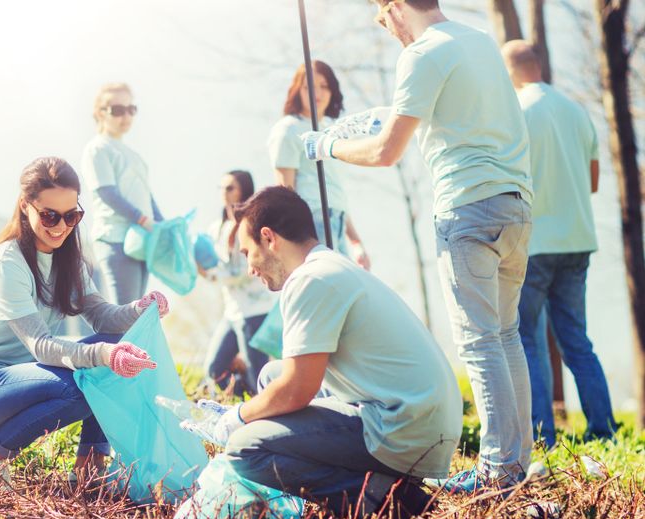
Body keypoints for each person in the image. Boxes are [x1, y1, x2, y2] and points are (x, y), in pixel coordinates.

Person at [301, 0, 533, 493]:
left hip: (467, 208)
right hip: (514, 205)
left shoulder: (422, 53)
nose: (387, 29)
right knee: (506, 335)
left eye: (383, 19)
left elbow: (386, 151)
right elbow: (460, 114)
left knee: (480, 341)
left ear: (396, 7)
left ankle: (497, 472)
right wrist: (386, 116)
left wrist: (326, 146)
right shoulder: (480, 42)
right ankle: (514, 464)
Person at [184, 187, 461, 519]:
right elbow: (290, 380)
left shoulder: (310, 280)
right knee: (271, 375)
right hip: (420, 418)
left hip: (404, 429)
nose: (250, 269)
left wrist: (238, 416)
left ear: (269, 238)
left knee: (245, 448)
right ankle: (373, 481)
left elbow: (297, 390)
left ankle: (387, 499)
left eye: (247, 253)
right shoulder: (330, 266)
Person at [0, 156, 168, 485]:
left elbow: (103, 318)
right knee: (88, 383)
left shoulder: (68, 262)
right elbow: (41, 346)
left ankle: (90, 468)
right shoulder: (5, 264)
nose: (61, 226)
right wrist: (103, 356)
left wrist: (138, 309)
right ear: (25, 205)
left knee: (115, 350)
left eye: (71, 216)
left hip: (20, 383)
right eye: (49, 215)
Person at [502, 40, 617, 448]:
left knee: (526, 339)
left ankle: (542, 437)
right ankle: (604, 432)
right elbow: (593, 182)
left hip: (535, 243)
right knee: (577, 341)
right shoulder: (576, 111)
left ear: (509, 71)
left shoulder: (516, 112)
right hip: (578, 240)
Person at [267, 61, 370, 267]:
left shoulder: (332, 131)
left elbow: (334, 192)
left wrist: (355, 240)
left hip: (337, 220)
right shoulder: (288, 129)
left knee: (346, 282)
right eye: (309, 87)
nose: (318, 93)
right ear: (298, 90)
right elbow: (285, 192)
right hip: (312, 221)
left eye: (324, 86)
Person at [81, 83, 165, 305]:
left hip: (142, 239)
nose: (126, 116)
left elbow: (147, 196)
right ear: (101, 112)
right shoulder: (97, 148)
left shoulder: (134, 155)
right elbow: (107, 193)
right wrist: (143, 219)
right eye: (118, 110)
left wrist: (162, 225)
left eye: (131, 109)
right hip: (115, 239)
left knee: (137, 312)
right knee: (125, 312)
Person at [199, 170, 275, 396]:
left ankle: (266, 406)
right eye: (221, 188)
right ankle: (245, 397)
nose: (224, 193)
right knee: (213, 370)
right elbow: (212, 260)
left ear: (244, 190)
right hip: (231, 312)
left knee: (257, 374)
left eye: (230, 188)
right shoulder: (217, 228)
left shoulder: (253, 225)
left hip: (254, 310)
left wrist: (212, 275)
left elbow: (246, 270)